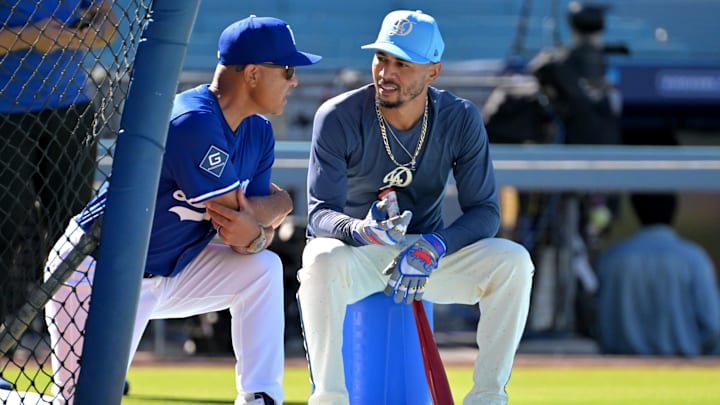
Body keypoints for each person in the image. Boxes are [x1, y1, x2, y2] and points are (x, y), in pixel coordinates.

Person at [43, 15, 321, 405]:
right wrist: (258, 225)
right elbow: (233, 218)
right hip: (97, 272)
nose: (294, 81)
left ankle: (261, 397)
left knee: (263, 268)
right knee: (79, 403)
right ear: (254, 73)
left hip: (171, 269)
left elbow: (251, 229)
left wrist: (272, 216)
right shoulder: (193, 119)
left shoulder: (258, 131)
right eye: (287, 69)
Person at [297, 9, 534, 405]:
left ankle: (487, 398)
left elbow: (485, 212)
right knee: (320, 259)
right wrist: (359, 230)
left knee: (512, 261)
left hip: (425, 257)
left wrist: (435, 246)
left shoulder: (460, 118)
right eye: (381, 58)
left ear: (433, 72)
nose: (386, 72)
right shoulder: (338, 115)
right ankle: (329, 398)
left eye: (402, 64)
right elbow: (319, 213)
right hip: (359, 253)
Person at [0, 0, 117, 328]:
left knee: (74, 231)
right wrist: (29, 36)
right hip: (6, 115)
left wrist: (84, 36)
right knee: (6, 225)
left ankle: (77, 344)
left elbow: (108, 23)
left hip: (71, 111)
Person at [596, 192, 720, 356]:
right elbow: (712, 326)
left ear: (636, 210)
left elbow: (599, 321)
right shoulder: (693, 259)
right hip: (684, 368)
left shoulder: (611, 259)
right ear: (674, 209)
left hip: (622, 367)